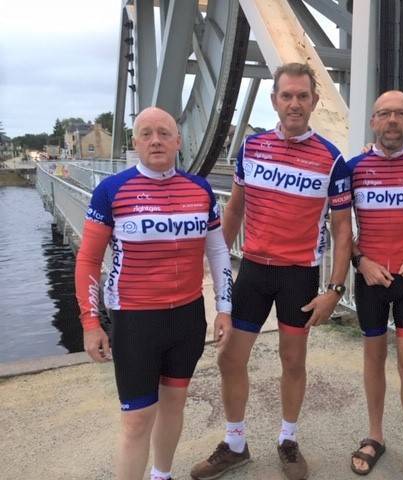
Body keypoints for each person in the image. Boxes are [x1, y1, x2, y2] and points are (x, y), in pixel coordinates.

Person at [190, 62, 352, 480]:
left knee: (293, 361)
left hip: (299, 275)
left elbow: (341, 227)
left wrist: (335, 288)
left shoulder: (332, 160)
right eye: (287, 95)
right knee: (230, 358)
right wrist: (216, 266)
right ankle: (236, 443)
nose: (295, 103)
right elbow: (235, 209)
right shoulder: (251, 148)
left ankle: (288, 439)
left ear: (315, 101)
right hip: (255, 273)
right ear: (274, 100)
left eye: (302, 96)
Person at [75, 106, 233, 480]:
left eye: (164, 133)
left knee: (175, 403)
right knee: (137, 419)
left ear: (178, 141)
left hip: (188, 316)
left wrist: (224, 308)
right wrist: (90, 322)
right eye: (146, 133)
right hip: (136, 319)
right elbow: (88, 260)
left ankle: (162, 475)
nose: (156, 140)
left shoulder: (199, 189)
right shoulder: (111, 190)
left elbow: (218, 251)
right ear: (135, 142)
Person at [346, 90, 403, 480]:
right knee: (373, 360)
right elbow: (335, 227)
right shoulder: (352, 168)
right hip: (370, 277)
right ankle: (375, 436)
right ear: (373, 121)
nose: (393, 121)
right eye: (385, 114)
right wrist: (358, 259)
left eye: (401, 114)